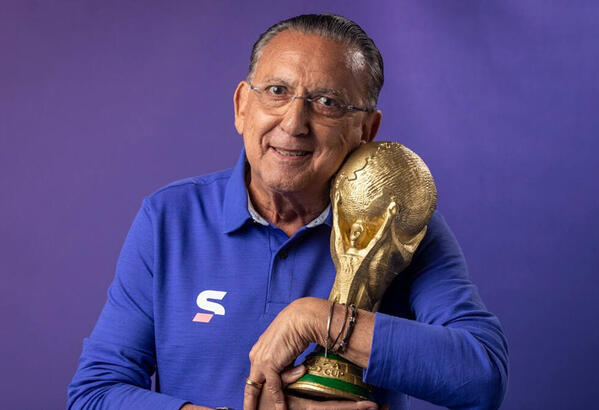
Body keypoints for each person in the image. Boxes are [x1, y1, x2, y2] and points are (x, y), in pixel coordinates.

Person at [68, 14, 508, 410]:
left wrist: (318, 320)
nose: (294, 123)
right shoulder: (169, 218)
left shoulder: (399, 222)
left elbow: (482, 378)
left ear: (366, 131)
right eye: (277, 91)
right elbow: (94, 393)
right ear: (242, 106)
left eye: (327, 102)